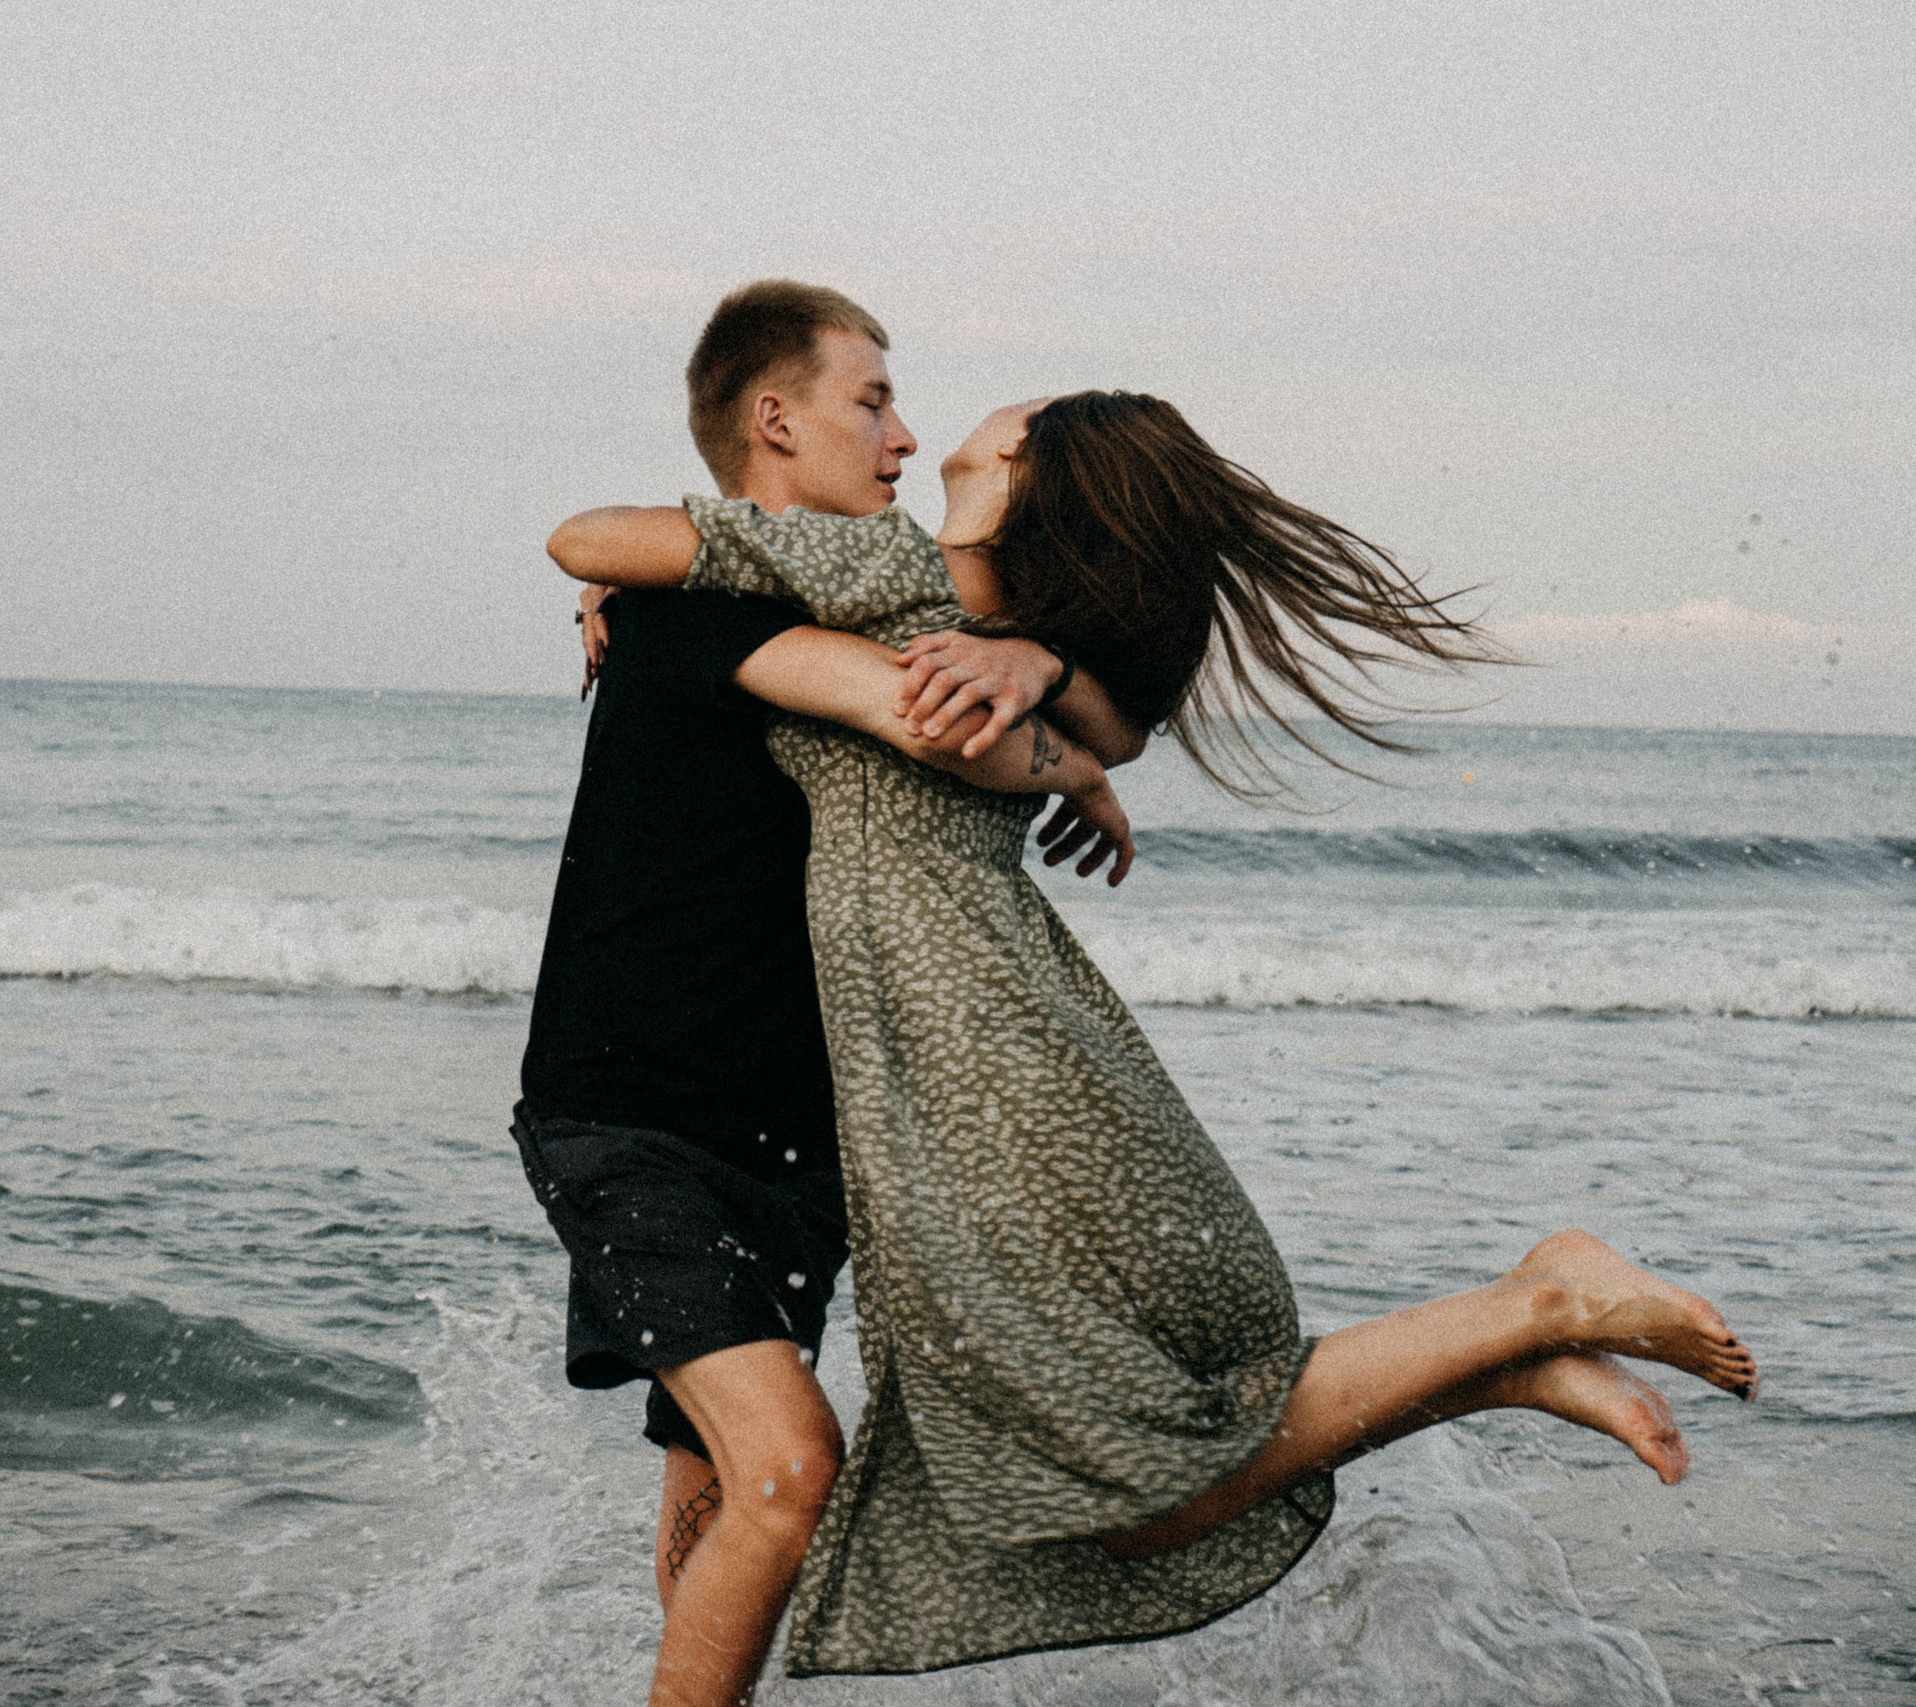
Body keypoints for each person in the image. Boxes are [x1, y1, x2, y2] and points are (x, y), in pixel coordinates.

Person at [550, 390, 1759, 1687]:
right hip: (900, 1088)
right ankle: (1506, 1352)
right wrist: (1057, 712)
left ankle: (1537, 1305)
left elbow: (625, 553)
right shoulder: (934, 604)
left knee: (1126, 1487)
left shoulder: (927, 598)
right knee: (1067, 1490)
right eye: (877, 403)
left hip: (984, 1081)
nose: (919, 427)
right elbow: (632, 558)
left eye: (996, 416)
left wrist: (1044, 703)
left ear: (1023, 468)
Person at [513, 284, 1144, 1707]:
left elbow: (1102, 692)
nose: (906, 436)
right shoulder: (688, 609)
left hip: (797, 1136)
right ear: (775, 417)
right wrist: (1072, 761)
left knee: (727, 1488)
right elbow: (924, 714)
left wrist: (1046, 677)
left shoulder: (840, 585)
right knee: (797, 1470)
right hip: (638, 1121)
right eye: (873, 401)